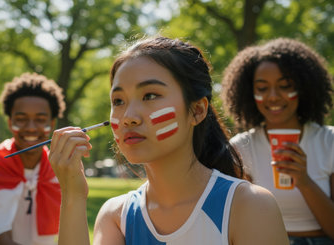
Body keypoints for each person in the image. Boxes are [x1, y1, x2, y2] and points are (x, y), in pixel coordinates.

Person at [48, 36, 289, 245]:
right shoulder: (116, 216)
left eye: (150, 95)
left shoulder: (249, 206)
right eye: (118, 101)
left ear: (197, 111)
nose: (128, 118)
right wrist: (72, 196)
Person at [222, 38, 334, 244]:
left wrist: (304, 181)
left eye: (285, 85)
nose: (273, 97)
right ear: (249, 92)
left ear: (303, 87)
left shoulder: (329, 141)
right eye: (262, 88)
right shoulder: (241, 148)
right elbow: (240, 224)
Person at [0, 72, 66, 245]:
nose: (31, 128)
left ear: (52, 124)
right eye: (21, 119)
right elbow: (0, 241)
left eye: (40, 119)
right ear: (10, 122)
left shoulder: (59, 167)